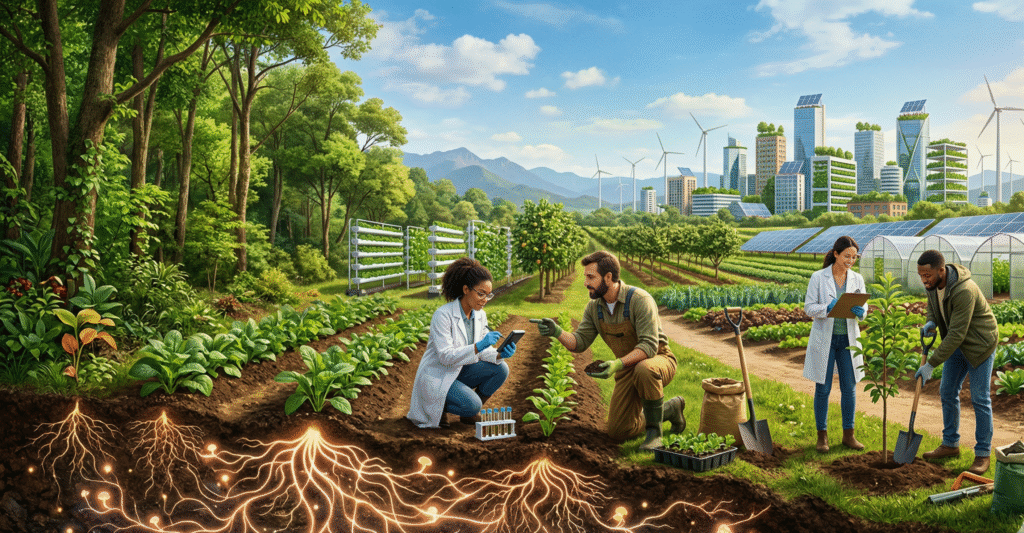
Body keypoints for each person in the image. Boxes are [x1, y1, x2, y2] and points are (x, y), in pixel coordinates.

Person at [532, 251, 685, 450]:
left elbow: (648, 346)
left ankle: (654, 435)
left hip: (658, 360)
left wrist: (617, 364)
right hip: (627, 366)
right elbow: (579, 342)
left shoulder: (639, 299)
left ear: (609, 277)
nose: (586, 282)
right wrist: (557, 331)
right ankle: (670, 409)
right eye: (585, 276)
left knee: (644, 369)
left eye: (590, 277)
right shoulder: (595, 307)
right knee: (618, 432)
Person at [915, 250, 997, 475]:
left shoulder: (964, 290)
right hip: (957, 344)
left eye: (928, 276)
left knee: (980, 398)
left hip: (979, 345)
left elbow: (957, 334)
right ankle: (950, 444)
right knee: (947, 391)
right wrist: (931, 321)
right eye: (921, 275)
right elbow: (933, 306)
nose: (924, 280)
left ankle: (982, 453)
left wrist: (931, 363)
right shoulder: (932, 285)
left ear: (941, 271)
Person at [408, 257, 516, 428]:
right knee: (472, 404)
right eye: (481, 294)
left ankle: (468, 414)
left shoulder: (480, 315)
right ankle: (441, 407)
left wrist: (500, 353)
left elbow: (482, 352)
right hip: (439, 374)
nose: (485, 299)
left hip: (459, 370)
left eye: (488, 295)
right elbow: (445, 357)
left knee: (501, 368)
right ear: (466, 289)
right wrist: (479, 345)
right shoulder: (443, 315)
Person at [804, 236, 868, 453]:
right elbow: (809, 308)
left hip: (848, 340)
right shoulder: (818, 277)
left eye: (854, 257)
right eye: (847, 256)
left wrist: (862, 311)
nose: (851, 260)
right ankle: (822, 437)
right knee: (823, 388)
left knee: (849, 388)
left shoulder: (857, 278)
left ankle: (848, 435)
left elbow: (864, 307)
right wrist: (827, 307)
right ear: (836, 254)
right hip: (826, 339)